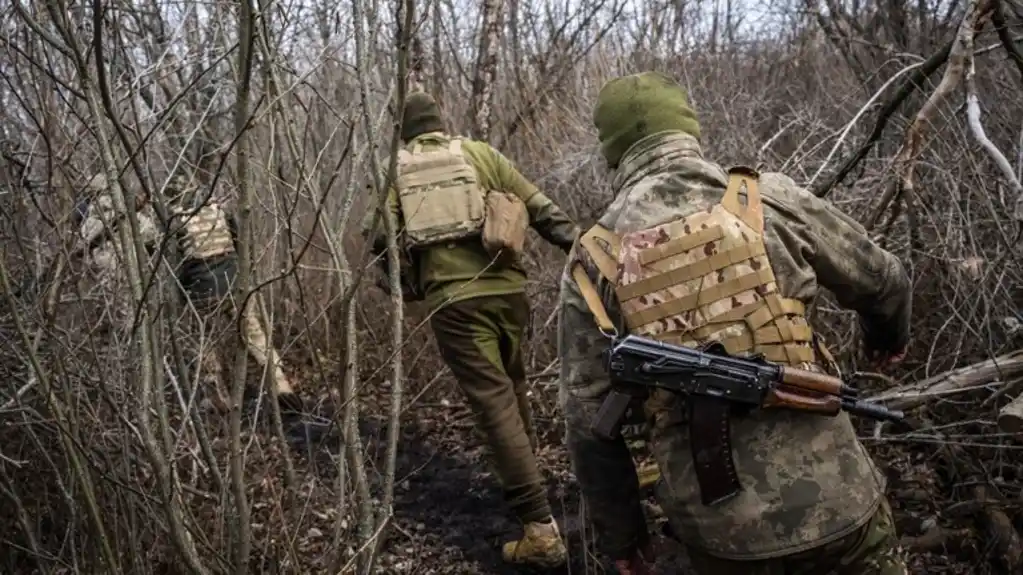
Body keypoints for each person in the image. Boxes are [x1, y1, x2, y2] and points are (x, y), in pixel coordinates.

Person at [557, 71, 912, 575]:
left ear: (612, 151)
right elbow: (885, 280)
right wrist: (885, 338)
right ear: (689, 130)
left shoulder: (593, 255)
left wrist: (624, 537)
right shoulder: (767, 198)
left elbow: (588, 422)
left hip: (720, 536)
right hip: (840, 503)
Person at [362, 92, 579, 569]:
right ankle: (532, 482)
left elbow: (379, 237)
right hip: (509, 292)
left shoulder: (394, 169)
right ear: (442, 122)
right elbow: (542, 209)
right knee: (514, 384)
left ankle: (539, 527)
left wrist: (403, 280)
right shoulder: (479, 153)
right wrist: (587, 254)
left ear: (404, 130)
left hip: (455, 302)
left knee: (493, 402)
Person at [166, 175, 303, 416]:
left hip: (202, 288)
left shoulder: (176, 220)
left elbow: (175, 266)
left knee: (202, 343)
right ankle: (282, 388)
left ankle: (219, 397)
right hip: (235, 282)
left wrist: (180, 296)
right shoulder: (219, 210)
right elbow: (240, 243)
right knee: (256, 336)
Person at [73, 173, 161, 326]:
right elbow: (152, 237)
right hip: (132, 272)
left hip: (103, 277)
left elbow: (80, 246)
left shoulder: (91, 216)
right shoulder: (128, 211)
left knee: (109, 319)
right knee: (133, 318)